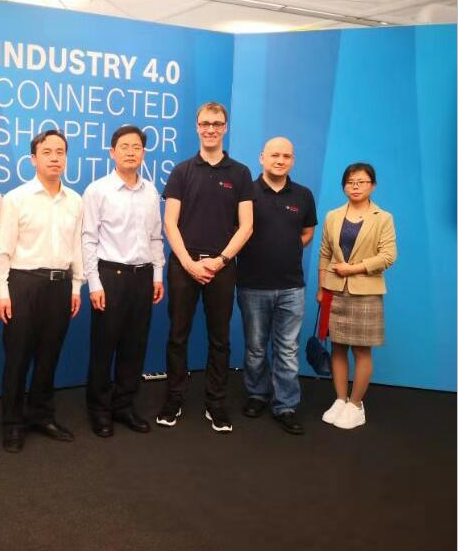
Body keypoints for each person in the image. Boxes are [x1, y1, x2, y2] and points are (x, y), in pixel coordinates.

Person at [159, 102, 253, 433]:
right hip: (183, 265)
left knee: (220, 339)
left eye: (216, 123)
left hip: (222, 267)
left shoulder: (240, 173)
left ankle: (216, 403)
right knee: (177, 336)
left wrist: (220, 260)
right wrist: (188, 263)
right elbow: (170, 222)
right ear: (197, 127)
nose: (210, 129)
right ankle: (173, 399)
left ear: (225, 127)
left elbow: (247, 226)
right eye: (205, 123)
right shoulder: (182, 171)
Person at [0, 129, 84, 453]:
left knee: (49, 356)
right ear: (33, 159)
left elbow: (76, 246)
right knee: (17, 358)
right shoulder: (16, 199)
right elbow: (2, 249)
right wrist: (2, 291)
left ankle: (42, 416)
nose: (55, 158)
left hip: (61, 286)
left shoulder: (75, 200)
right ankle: (12, 424)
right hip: (23, 285)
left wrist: (76, 286)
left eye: (60, 152)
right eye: (47, 152)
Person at [81, 125, 165, 438]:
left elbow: (156, 237)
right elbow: (88, 239)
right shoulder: (97, 190)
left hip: (143, 276)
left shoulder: (151, 191)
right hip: (110, 277)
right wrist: (94, 282)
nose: (131, 152)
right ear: (112, 152)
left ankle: (124, 406)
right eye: (124, 147)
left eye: (137, 147)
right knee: (104, 347)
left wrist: (157, 275)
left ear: (143, 153)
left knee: (134, 346)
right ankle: (99, 410)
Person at [236, 137, 317, 435]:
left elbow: (307, 232)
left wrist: (288, 248)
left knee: (287, 350)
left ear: (292, 160)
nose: (280, 160)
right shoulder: (246, 193)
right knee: (256, 348)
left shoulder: (303, 195)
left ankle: (285, 405)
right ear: (262, 158)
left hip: (291, 287)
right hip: (252, 285)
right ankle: (257, 394)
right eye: (274, 155)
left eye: (286, 156)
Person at [318, 163, 396, 429]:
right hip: (334, 290)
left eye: (362, 182)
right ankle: (341, 399)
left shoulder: (383, 217)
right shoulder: (332, 216)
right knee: (337, 347)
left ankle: (356, 404)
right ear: (343, 186)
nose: (355, 186)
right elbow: (325, 254)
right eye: (350, 182)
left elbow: (388, 256)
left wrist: (354, 269)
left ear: (372, 185)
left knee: (362, 350)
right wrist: (321, 288)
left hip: (366, 292)